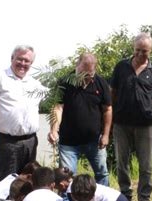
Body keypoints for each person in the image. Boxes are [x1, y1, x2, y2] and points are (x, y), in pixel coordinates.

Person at [110, 32, 152, 201]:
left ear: (151, 51)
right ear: (133, 49)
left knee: (146, 165)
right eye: (138, 50)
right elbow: (113, 92)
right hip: (121, 123)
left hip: (145, 124)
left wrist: (142, 105)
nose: (141, 54)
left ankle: (144, 200)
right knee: (122, 162)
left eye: (145, 51)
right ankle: (125, 197)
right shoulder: (121, 67)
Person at [0, 45, 47, 183]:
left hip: (31, 141)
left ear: (31, 63)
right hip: (7, 142)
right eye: (20, 59)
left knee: (29, 181)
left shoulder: (35, 84)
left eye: (27, 61)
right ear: (12, 59)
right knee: (6, 183)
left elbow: (55, 100)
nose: (23, 64)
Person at [48, 53, 112, 186]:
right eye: (82, 74)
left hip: (95, 141)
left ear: (94, 71)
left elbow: (107, 109)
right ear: (77, 66)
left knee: (102, 174)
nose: (85, 78)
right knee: (66, 177)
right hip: (68, 142)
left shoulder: (101, 83)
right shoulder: (64, 82)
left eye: (89, 75)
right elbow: (58, 107)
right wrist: (54, 130)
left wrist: (105, 135)